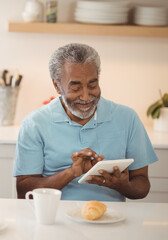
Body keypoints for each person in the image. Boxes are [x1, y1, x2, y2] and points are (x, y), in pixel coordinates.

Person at [14, 43, 158, 201]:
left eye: (92, 85)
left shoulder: (128, 118)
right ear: (57, 85)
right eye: (75, 88)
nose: (86, 96)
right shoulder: (34, 124)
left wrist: (121, 185)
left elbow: (142, 185)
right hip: (54, 217)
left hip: (110, 218)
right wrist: (71, 172)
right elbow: (23, 190)